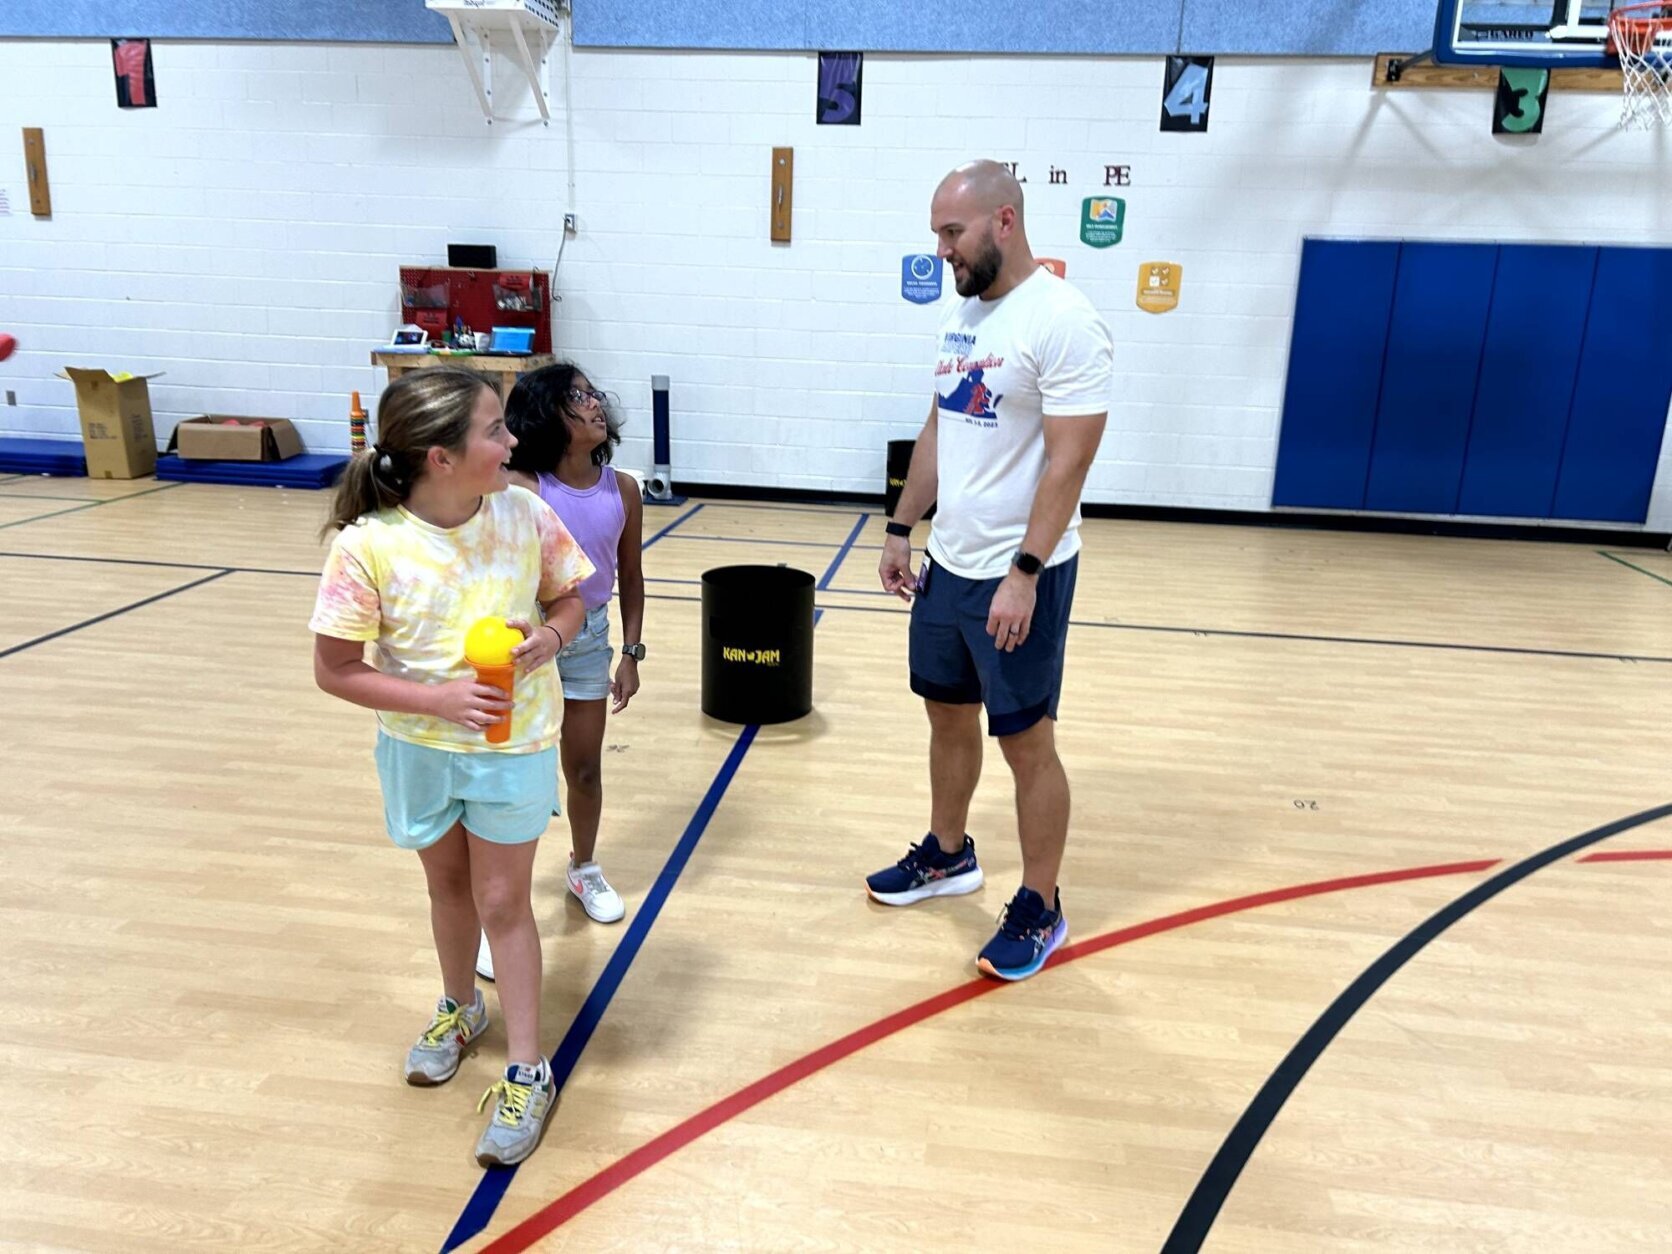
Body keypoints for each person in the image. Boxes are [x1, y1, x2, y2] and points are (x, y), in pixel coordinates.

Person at [310, 368, 593, 1165]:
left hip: (513, 748)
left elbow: (572, 597)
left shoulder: (525, 513)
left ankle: (528, 1068)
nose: (512, 441)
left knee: (503, 900)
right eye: (496, 430)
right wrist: (434, 702)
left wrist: (554, 637)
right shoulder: (368, 545)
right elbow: (335, 669)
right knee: (445, 889)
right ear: (440, 457)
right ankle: (461, 1006)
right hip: (420, 749)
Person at [867, 159, 1113, 982]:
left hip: (1019, 571)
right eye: (938, 233)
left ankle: (1041, 903)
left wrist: (1026, 570)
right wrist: (903, 526)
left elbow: (1070, 462)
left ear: (1003, 221)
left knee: (1027, 743)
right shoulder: (966, 320)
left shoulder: (1064, 319)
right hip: (950, 565)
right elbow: (939, 432)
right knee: (946, 716)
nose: (943, 251)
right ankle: (947, 856)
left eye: (952, 232)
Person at [472, 364, 645, 981]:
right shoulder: (523, 484)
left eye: (594, 393)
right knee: (518, 779)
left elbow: (630, 575)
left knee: (585, 768)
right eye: (576, 398)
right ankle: (501, 914)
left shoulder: (622, 488)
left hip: (588, 634)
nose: (594, 404)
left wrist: (632, 652)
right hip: (524, 637)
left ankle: (584, 865)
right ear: (549, 413)